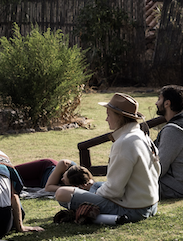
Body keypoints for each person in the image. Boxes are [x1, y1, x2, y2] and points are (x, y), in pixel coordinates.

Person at [54, 93, 160, 225]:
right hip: (150, 204)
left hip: (132, 210)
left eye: (109, 115)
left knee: (62, 193)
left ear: (119, 116)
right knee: (95, 185)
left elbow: (114, 190)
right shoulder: (142, 135)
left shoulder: (124, 142)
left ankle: (92, 215)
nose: (106, 119)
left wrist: (94, 197)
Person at [15, 158, 94, 192]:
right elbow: (48, 187)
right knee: (11, 173)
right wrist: (72, 188)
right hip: (43, 169)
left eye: (65, 182)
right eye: (63, 176)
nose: (62, 179)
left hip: (41, 183)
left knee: (15, 184)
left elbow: (91, 183)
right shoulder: (64, 164)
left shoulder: (83, 182)